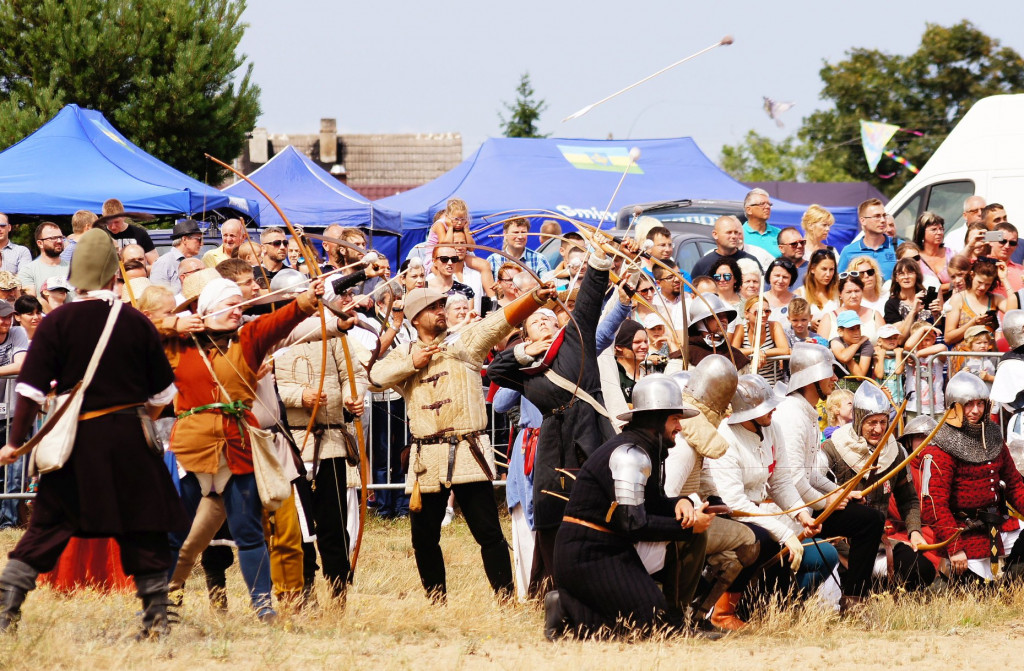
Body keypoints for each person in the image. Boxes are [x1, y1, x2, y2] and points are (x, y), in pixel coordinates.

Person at [0, 228, 185, 637]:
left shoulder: (57, 322)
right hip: (129, 442)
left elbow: (29, 390)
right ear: (112, 274)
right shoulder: (136, 322)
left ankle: (6, 610)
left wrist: (15, 442)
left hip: (76, 443)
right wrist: (142, 413)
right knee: (145, 526)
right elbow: (164, 395)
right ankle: (156, 619)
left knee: (47, 525)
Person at [370, 275, 557, 603]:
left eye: (442, 305)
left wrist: (534, 298)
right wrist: (413, 364)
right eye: (432, 307)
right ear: (415, 318)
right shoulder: (405, 355)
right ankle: (436, 600)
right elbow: (373, 378)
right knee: (424, 539)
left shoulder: (463, 342)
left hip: (468, 452)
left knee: (488, 533)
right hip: (426, 460)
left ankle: (505, 598)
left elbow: (499, 322)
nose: (441, 311)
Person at [165, 269, 326, 622]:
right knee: (177, 534)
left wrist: (304, 301)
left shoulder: (248, 338)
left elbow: (281, 321)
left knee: (248, 532)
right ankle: (163, 601)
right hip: (191, 450)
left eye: (241, 304)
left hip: (236, 447)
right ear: (205, 309)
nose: (239, 310)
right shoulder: (178, 344)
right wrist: (173, 324)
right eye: (230, 304)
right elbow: (137, 330)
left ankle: (263, 607)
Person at [486, 236, 617, 591]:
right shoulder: (526, 367)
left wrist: (600, 259)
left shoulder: (575, 338)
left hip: (592, 433)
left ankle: (600, 579)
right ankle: (552, 586)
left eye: (548, 317)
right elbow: (495, 372)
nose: (544, 321)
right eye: (535, 320)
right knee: (547, 514)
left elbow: (589, 299)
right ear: (525, 333)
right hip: (551, 442)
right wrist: (526, 351)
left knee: (599, 508)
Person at [545, 375, 714, 640]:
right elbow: (634, 524)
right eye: (674, 419)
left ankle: (675, 620)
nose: (679, 427)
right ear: (655, 419)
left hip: (611, 547)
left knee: (651, 621)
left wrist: (682, 503)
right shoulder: (630, 455)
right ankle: (565, 607)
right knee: (648, 623)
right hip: (589, 556)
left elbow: (653, 504)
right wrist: (687, 529)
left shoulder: (645, 449)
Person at [712, 375, 837, 618]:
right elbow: (734, 503)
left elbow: (780, 482)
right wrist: (784, 533)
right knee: (767, 544)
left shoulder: (772, 428)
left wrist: (801, 514)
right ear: (747, 410)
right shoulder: (725, 437)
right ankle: (725, 612)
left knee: (826, 554)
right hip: (735, 520)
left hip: (767, 518)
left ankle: (781, 610)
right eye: (766, 406)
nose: (774, 409)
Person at [773, 343, 885, 612]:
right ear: (812, 378)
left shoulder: (808, 412)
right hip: (789, 511)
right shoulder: (790, 414)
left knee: (870, 519)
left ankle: (855, 599)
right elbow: (794, 479)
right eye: (829, 373)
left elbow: (812, 473)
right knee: (868, 522)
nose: (835, 378)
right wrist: (830, 500)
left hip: (809, 505)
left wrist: (841, 493)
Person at [275, 316, 369, 601]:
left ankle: (338, 588)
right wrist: (298, 396)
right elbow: (264, 387)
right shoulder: (272, 338)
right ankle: (304, 589)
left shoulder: (333, 334)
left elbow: (354, 374)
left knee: (334, 522)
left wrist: (354, 396)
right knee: (298, 525)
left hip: (330, 442)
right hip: (291, 443)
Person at [820, 384, 935, 592]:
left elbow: (908, 499)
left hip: (879, 543)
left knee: (922, 569)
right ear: (858, 421)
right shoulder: (833, 448)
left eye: (883, 422)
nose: (879, 429)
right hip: (840, 544)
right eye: (871, 422)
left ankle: (877, 589)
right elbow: (818, 493)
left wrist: (914, 531)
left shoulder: (895, 451)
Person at [920, 371, 1024, 583]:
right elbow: (934, 505)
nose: (975, 411)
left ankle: (1012, 582)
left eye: (980, 404)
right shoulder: (940, 447)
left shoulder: (992, 435)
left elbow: (1014, 484)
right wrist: (954, 547)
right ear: (953, 406)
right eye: (968, 404)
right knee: (978, 593)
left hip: (999, 526)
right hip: (963, 533)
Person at [944, 256, 1017, 348]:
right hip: (964, 358)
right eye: (979, 282)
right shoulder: (958, 298)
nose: (983, 287)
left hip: (989, 358)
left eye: (987, 284)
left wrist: (1004, 279)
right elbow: (948, 338)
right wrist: (973, 323)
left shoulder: (995, 299)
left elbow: (1015, 313)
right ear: (972, 275)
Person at [731, 296, 789, 384]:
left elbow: (785, 350)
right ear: (746, 314)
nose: (764, 315)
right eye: (757, 312)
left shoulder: (774, 326)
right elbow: (733, 351)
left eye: (767, 311)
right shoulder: (741, 329)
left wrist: (763, 352)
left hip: (773, 383)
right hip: (749, 382)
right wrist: (755, 351)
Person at [884, 258, 942, 344]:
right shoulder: (891, 304)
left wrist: (936, 315)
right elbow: (899, 340)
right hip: (908, 351)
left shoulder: (927, 298)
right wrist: (913, 311)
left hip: (931, 347)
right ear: (896, 278)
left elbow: (939, 330)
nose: (906, 277)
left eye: (910, 273)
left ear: (917, 276)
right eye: (901, 274)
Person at [685, 293, 749, 369]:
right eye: (717, 316)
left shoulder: (736, 356)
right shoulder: (685, 356)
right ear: (701, 322)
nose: (724, 320)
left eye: (725, 315)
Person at [838, 199, 897, 277]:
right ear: (863, 221)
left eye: (884, 215)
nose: (883, 220)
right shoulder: (848, 252)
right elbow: (839, 283)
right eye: (877, 216)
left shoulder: (900, 247)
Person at [691, 215, 761, 279]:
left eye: (736, 232)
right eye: (729, 232)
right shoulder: (703, 265)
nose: (734, 236)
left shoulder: (750, 261)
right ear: (715, 234)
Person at [486, 217, 551, 280]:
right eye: (515, 232)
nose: (520, 236)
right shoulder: (493, 260)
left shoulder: (539, 259)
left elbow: (548, 286)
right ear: (505, 234)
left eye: (523, 232)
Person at [150, 219, 204, 294]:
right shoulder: (164, 262)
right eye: (199, 239)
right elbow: (158, 296)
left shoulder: (195, 261)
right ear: (184, 239)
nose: (202, 244)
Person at [827, 275, 883, 343]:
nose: (854, 296)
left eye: (857, 291)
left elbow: (886, 342)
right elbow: (820, 348)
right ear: (840, 294)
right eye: (849, 292)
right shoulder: (829, 317)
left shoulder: (875, 315)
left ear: (862, 291)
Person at [100, 199, 158, 264]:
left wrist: (136, 269)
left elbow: (156, 266)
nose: (113, 227)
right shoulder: (99, 236)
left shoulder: (140, 234)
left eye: (117, 222)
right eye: (109, 222)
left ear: (124, 216)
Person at [18, 222, 68, 296]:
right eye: (53, 238)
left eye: (61, 237)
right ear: (40, 243)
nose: (59, 241)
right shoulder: (28, 271)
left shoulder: (74, 268)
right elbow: (30, 304)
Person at [798, 248, 839, 336]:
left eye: (831, 269)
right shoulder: (800, 294)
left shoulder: (839, 294)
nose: (828, 274)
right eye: (824, 269)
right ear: (812, 269)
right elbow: (793, 322)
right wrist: (809, 324)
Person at [914, 212, 955, 294]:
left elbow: (962, 281)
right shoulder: (915, 257)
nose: (939, 232)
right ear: (922, 233)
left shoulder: (951, 254)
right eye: (934, 229)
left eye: (941, 229)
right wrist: (951, 286)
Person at [612, 319, 649, 403]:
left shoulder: (647, 375)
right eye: (637, 342)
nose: (644, 346)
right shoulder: (614, 375)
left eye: (646, 341)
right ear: (619, 346)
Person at [830, 310, 874, 378]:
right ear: (840, 331)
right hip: (839, 388)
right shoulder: (836, 341)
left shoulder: (866, 344)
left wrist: (846, 356)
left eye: (858, 328)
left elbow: (860, 376)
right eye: (851, 329)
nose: (857, 332)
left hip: (863, 388)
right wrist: (858, 343)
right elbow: (844, 357)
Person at [742, 188, 781, 257]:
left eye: (769, 204)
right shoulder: (739, 235)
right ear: (749, 210)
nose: (768, 207)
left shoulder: (779, 234)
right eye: (762, 204)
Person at [763, 257, 798, 330]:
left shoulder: (799, 302)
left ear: (791, 280)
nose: (780, 280)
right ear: (769, 276)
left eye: (785, 277)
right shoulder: (758, 300)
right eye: (777, 276)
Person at [991, 222, 1023, 295]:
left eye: (1012, 243)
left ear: (1016, 246)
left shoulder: (1022, 271)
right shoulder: (979, 265)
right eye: (1002, 241)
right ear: (991, 241)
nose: (1007, 246)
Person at [961, 325, 996, 390]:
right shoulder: (966, 362)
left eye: (985, 342)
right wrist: (963, 374)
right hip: (973, 397)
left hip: (990, 397)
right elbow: (960, 382)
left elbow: (1003, 380)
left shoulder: (993, 359)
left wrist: (988, 377)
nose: (983, 345)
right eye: (978, 343)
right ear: (970, 345)